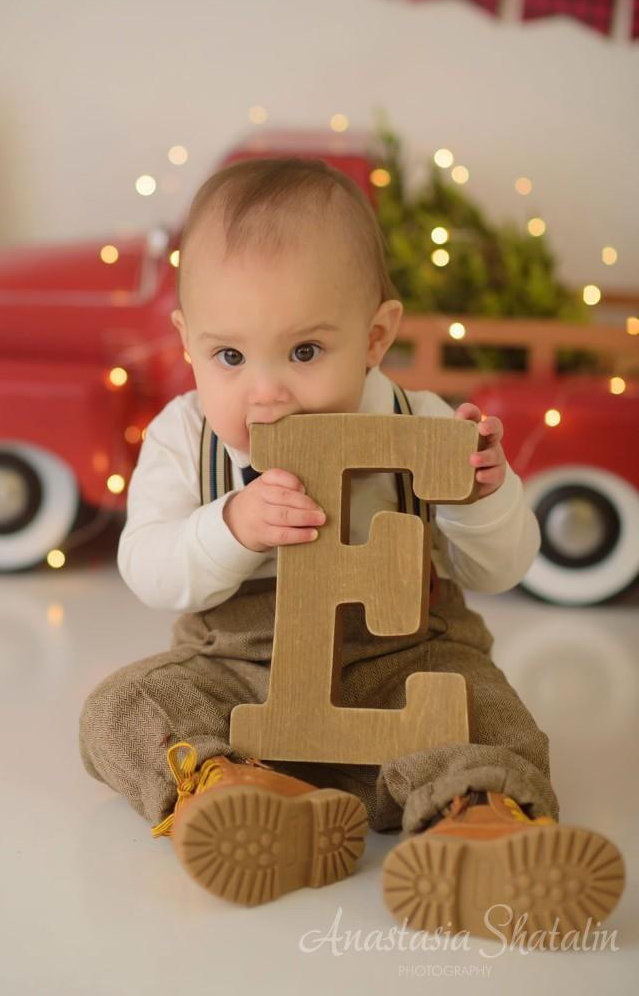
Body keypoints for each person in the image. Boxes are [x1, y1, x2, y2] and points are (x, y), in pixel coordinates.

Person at [79, 157, 624, 939]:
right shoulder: (184, 436)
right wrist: (229, 524)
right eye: (229, 357)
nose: (266, 392)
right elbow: (151, 570)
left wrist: (481, 498)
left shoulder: (424, 422)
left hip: (401, 663)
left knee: (485, 709)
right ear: (188, 343)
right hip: (241, 681)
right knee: (120, 707)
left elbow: (500, 569)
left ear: (375, 336)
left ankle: (482, 830)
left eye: (304, 353)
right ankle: (237, 793)